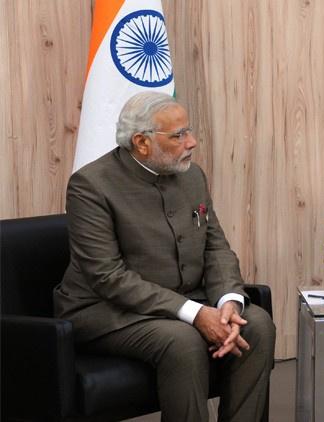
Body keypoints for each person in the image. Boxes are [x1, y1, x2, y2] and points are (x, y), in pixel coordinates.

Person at [54, 91, 275, 422]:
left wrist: (228, 301)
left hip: (183, 299)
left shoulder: (192, 176)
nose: (192, 142)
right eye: (178, 135)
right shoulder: (91, 185)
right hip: (105, 309)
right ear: (142, 142)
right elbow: (107, 277)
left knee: (256, 324)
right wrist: (196, 313)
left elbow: (215, 247)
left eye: (188, 131)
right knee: (181, 340)